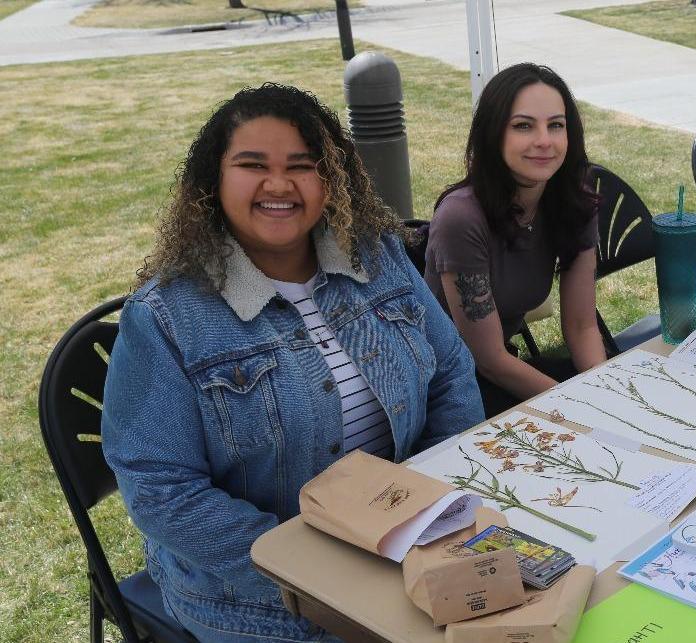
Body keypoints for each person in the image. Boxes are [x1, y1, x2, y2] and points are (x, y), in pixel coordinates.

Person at [101, 83, 484, 642]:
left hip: (406, 545)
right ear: (214, 181)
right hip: (257, 596)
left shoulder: (375, 257)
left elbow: (451, 372)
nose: (278, 184)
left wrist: (428, 509)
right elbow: (160, 488)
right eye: (252, 164)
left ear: (331, 180)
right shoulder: (165, 317)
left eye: (301, 166)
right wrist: (312, 568)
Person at [424, 63, 606, 417]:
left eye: (556, 125)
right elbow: (489, 360)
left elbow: (582, 326)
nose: (544, 140)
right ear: (494, 134)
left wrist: (602, 390)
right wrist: (580, 407)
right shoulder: (461, 218)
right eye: (523, 126)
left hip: (506, 372)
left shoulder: (574, 203)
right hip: (446, 390)